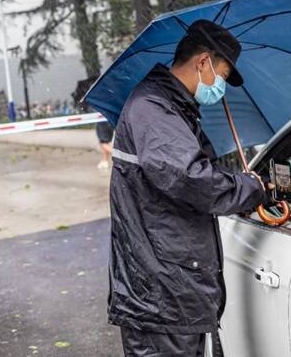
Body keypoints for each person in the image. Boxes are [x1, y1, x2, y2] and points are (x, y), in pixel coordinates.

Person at [107, 19, 270, 356]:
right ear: (203, 63)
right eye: (222, 77)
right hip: (160, 298)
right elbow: (190, 178)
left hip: (169, 290)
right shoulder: (153, 109)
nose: (220, 87)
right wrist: (248, 188)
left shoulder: (171, 108)